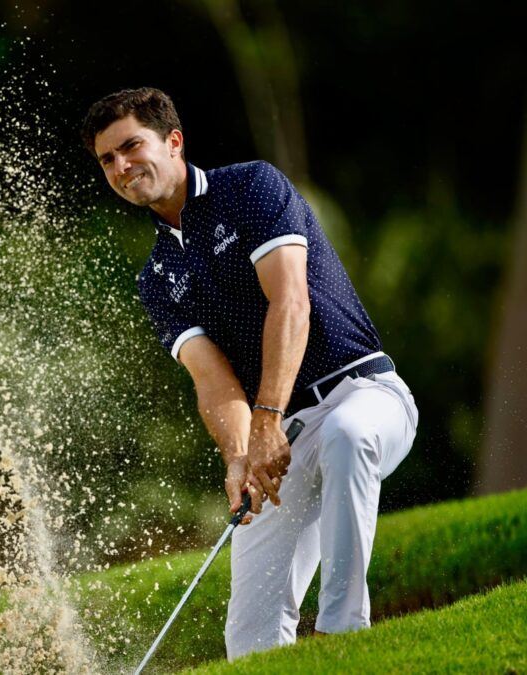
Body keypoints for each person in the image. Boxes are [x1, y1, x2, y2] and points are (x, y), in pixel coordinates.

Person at [80, 87, 418, 657]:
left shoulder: (250, 187)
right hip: (280, 436)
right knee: (251, 640)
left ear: (174, 141)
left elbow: (290, 303)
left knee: (347, 434)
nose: (121, 166)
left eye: (131, 146)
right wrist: (239, 456)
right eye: (107, 159)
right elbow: (212, 381)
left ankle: (344, 633)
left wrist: (267, 420)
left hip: (363, 394)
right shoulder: (156, 277)